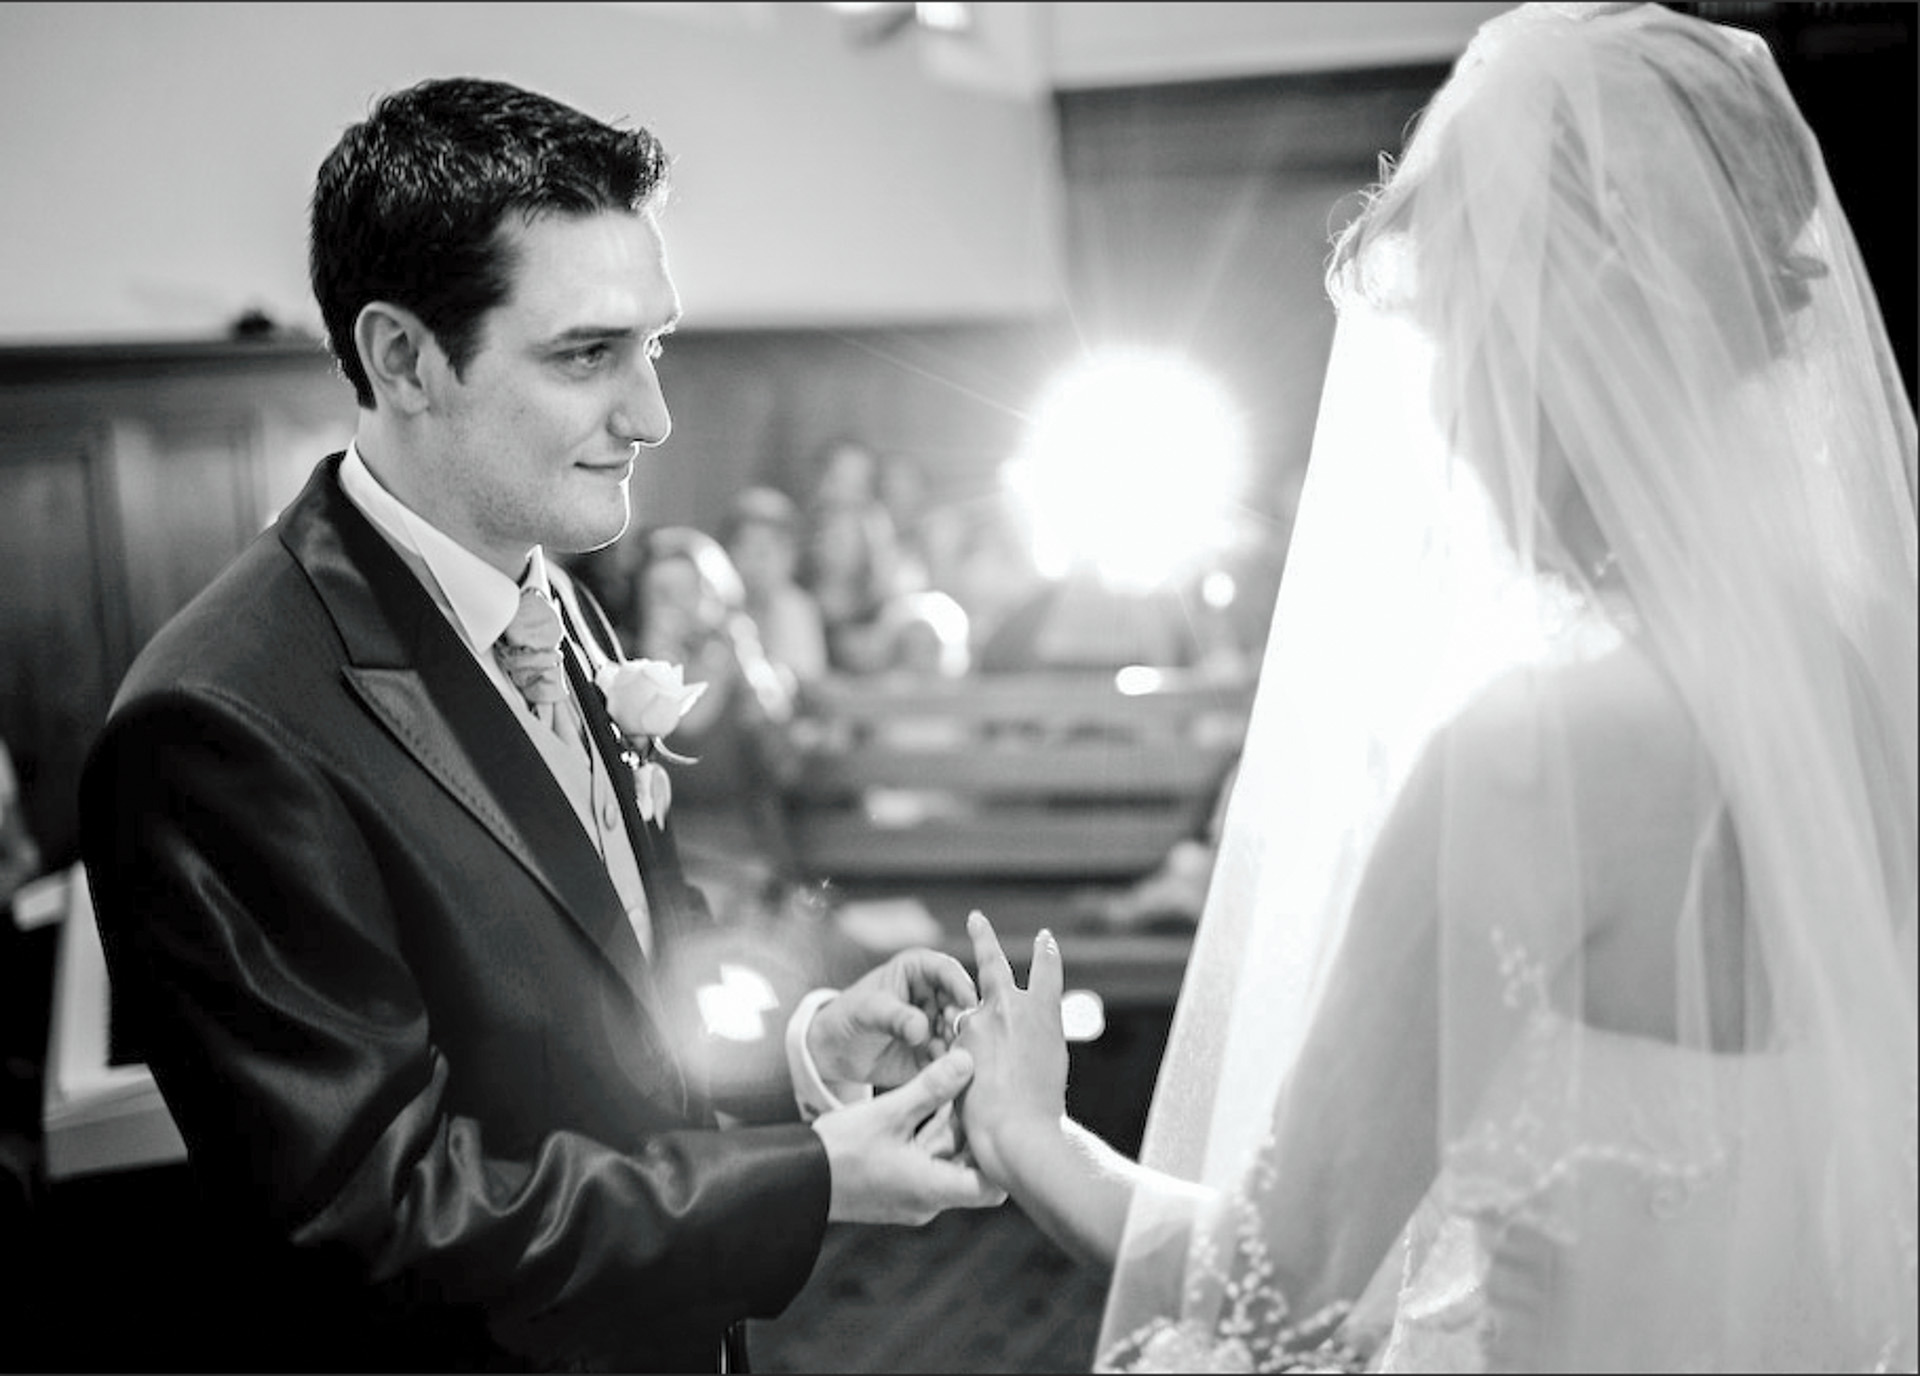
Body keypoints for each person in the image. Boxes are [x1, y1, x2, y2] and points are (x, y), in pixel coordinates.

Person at [953, 6, 1918, 1372]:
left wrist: (1029, 1136)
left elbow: (1269, 1285)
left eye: (1456, 330)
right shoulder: (1871, 662)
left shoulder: (1543, 753)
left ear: (1547, 344)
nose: (1449, 410)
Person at [77, 76, 1003, 1374]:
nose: (653, 414)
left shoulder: (549, 591)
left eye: (657, 345)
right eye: (588, 355)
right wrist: (802, 1182)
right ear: (403, 358)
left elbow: (595, 1023)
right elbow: (377, 1215)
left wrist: (799, 1061)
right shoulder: (220, 726)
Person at [723, 485, 832, 691]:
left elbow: (806, 681)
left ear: (790, 556)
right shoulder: (713, 608)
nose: (755, 563)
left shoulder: (799, 609)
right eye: (745, 549)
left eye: (764, 552)